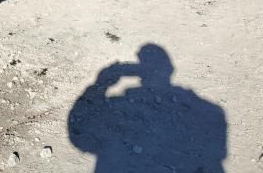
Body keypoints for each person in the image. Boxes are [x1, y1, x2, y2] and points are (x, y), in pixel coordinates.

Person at [68, 44, 227, 173]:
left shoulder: (116, 105)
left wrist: (100, 83)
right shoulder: (212, 111)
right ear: (170, 69)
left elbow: (80, 139)